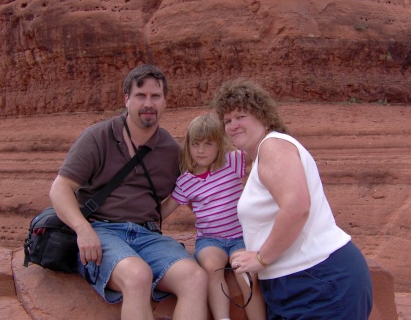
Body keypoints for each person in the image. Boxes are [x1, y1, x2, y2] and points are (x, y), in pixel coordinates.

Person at [49, 64, 208, 320]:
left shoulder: (170, 150)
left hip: (148, 235)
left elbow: (200, 191)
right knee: (137, 276)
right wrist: (82, 229)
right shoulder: (98, 137)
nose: (148, 104)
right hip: (101, 232)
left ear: (165, 102)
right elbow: (60, 188)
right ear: (127, 99)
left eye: (155, 96)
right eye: (140, 96)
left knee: (195, 278)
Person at [212, 79, 373, 319]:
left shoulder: (273, 146)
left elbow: (297, 208)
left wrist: (260, 258)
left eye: (241, 116)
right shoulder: (262, 156)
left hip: (318, 281)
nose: (233, 125)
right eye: (227, 120)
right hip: (294, 284)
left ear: (263, 116)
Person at [162, 114, 266, 320]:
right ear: (188, 146)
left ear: (219, 144)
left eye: (208, 144)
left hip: (240, 236)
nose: (201, 150)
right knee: (211, 267)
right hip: (210, 239)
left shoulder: (233, 161)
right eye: (195, 144)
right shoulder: (186, 181)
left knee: (245, 272)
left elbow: (261, 153)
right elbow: (164, 210)